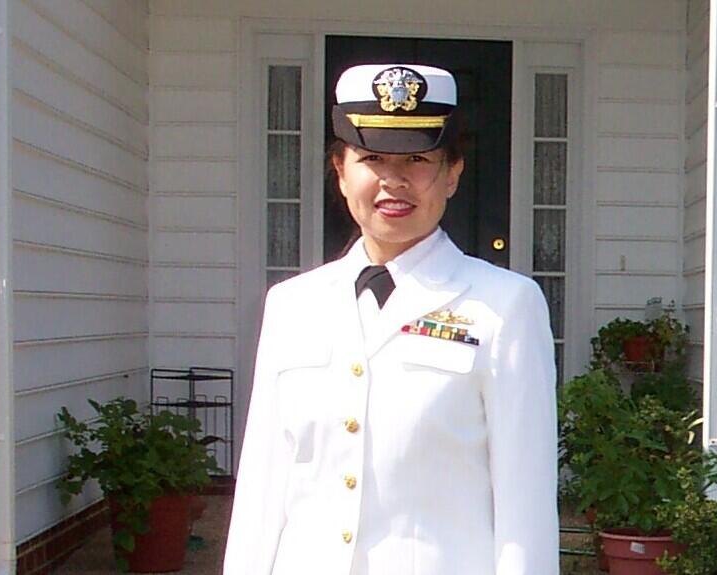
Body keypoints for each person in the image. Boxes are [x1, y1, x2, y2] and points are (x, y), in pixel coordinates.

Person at [224, 63, 559, 575]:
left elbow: (525, 508)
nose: (393, 181)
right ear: (340, 171)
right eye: (372, 158)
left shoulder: (504, 306)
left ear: (453, 173)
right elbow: (262, 490)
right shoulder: (292, 305)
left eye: (417, 159)